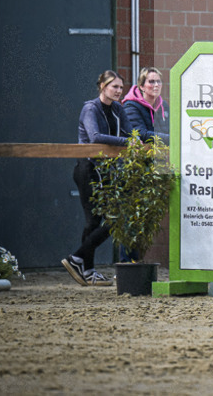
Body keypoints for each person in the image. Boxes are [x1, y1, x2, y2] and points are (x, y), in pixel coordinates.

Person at [62, 70, 136, 286]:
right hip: (88, 168)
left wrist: (138, 140)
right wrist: (127, 142)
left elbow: (130, 133)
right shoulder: (90, 108)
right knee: (94, 220)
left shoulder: (118, 109)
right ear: (102, 86)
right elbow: (95, 137)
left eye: (121, 87)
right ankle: (85, 268)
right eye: (114, 86)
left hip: (107, 169)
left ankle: (80, 261)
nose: (119, 91)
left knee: (113, 218)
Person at [122, 66, 170, 144]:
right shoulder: (131, 106)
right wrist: (173, 139)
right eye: (151, 82)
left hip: (164, 150)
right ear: (141, 86)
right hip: (143, 151)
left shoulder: (163, 105)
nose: (156, 85)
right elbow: (141, 134)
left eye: (159, 81)